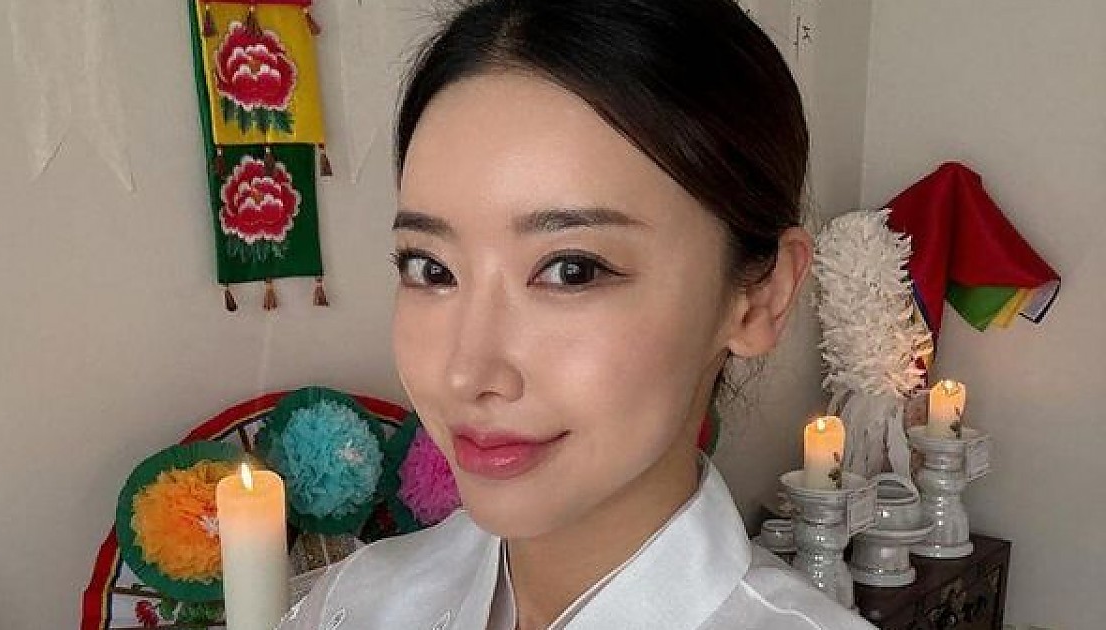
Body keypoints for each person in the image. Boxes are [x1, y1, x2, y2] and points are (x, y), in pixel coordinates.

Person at [280, 0, 876, 628]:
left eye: (572, 270)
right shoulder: (355, 603)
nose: (466, 372)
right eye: (431, 269)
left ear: (760, 296)